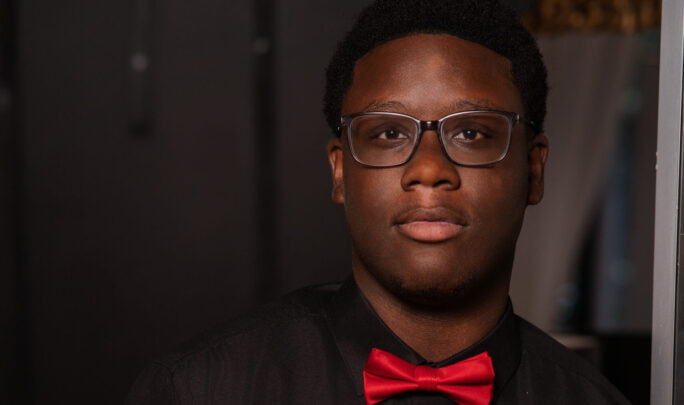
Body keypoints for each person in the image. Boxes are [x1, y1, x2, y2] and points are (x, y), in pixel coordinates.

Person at [126, 0, 630, 403]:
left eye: (472, 132)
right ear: (340, 172)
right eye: (389, 133)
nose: (428, 170)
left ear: (533, 171)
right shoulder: (196, 390)